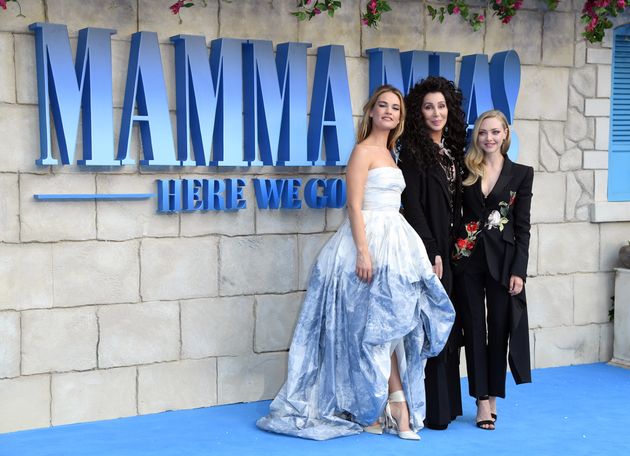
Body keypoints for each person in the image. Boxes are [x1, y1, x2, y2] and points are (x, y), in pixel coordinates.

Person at [256, 85, 455, 440]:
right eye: (383, 105)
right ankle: (391, 407)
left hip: (396, 241)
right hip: (366, 243)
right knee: (374, 326)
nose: (389, 111)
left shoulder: (392, 153)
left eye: (395, 107)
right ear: (372, 111)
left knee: (390, 321)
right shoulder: (362, 151)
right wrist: (364, 252)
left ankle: (383, 406)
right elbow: (354, 205)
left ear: (400, 116)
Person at [451, 109, 533, 430]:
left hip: (503, 263)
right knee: (473, 328)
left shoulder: (521, 174)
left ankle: (495, 394)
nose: (489, 138)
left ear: (505, 133)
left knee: (498, 328)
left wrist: (519, 271)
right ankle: (481, 400)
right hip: (467, 257)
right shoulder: (465, 168)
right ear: (477, 135)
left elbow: (522, 226)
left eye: (495, 132)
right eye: (483, 132)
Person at [398, 76, 467, 430]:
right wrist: (431, 249)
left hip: (456, 249)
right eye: (428, 107)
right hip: (431, 248)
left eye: (441, 106)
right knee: (432, 328)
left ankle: (450, 406)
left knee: (452, 327)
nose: (436, 112)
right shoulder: (413, 152)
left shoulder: (454, 150)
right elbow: (411, 205)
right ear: (418, 113)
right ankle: (433, 411)